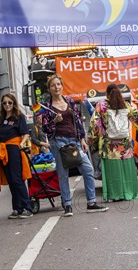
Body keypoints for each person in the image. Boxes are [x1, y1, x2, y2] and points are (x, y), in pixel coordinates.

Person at [41, 74, 108, 217]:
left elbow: (77, 122)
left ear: (62, 85)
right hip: (58, 142)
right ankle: (67, 205)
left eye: (58, 84)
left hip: (74, 142)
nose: (56, 87)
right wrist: (54, 122)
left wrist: (82, 140)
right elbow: (45, 129)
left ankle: (91, 203)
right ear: (49, 89)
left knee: (88, 169)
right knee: (63, 174)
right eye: (53, 85)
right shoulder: (46, 107)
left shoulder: (70, 101)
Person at [88, 84, 138, 201]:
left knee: (112, 172)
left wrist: (92, 138)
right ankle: (129, 193)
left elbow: (95, 123)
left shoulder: (102, 105)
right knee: (126, 170)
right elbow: (137, 115)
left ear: (107, 94)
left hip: (109, 145)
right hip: (124, 144)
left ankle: (114, 195)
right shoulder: (125, 105)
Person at [0, 93, 33, 219]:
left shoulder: (19, 117)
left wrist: (22, 144)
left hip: (14, 148)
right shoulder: (1, 119)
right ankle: (17, 208)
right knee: (11, 180)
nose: (7, 105)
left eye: (9, 102)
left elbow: (25, 134)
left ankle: (27, 207)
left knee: (17, 179)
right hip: (3, 149)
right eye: (5, 103)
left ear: (14, 103)